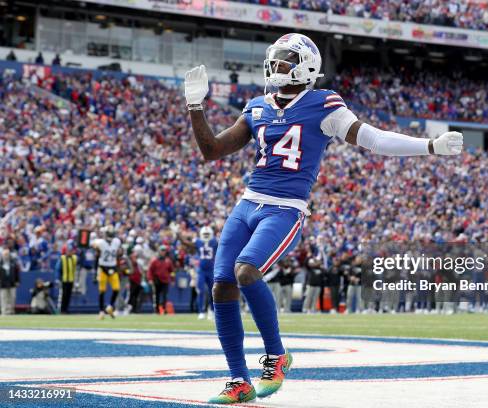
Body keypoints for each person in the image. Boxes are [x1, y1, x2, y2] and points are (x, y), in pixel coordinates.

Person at [183, 32, 463, 403]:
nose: (275, 66)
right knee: (221, 285)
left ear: (305, 66)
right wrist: (195, 107)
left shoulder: (324, 104)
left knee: (246, 271)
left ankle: (277, 356)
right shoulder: (256, 106)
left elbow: (374, 139)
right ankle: (238, 380)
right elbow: (212, 150)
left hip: (286, 208)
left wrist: (428, 146)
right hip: (248, 203)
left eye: (284, 60)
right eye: (276, 59)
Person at [92, 226, 123, 319]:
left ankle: (109, 307)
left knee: (115, 289)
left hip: (110, 267)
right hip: (104, 268)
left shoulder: (101, 242)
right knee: (103, 290)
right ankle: (102, 311)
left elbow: (94, 244)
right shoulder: (116, 241)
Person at [147, 245, 174, 315]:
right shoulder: (154, 261)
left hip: (165, 280)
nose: (163, 252)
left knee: (165, 296)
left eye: (164, 250)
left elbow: (172, 271)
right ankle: (157, 310)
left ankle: (164, 309)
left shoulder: (168, 261)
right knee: (157, 296)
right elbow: (150, 270)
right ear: (159, 251)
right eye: (162, 250)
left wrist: (173, 279)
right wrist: (150, 279)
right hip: (157, 280)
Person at [55, 242, 77, 314]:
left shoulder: (74, 258)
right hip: (64, 280)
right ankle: (62, 310)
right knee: (63, 296)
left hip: (71, 280)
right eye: (69, 250)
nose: (70, 252)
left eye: (71, 250)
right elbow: (58, 269)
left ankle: (66, 309)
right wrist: (58, 279)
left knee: (68, 296)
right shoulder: (62, 258)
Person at [0, 247, 20, 315]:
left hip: (12, 283)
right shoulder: (0, 264)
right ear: (2, 255)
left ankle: (11, 311)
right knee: (3, 298)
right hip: (3, 284)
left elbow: (17, 273)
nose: (6, 255)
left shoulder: (13, 263)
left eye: (7, 254)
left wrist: (17, 281)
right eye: (5, 254)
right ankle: (4, 311)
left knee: (12, 298)